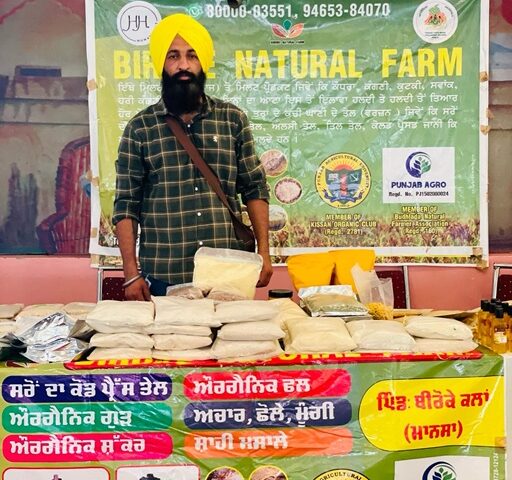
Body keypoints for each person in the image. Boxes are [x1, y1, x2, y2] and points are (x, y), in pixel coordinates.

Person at [113, 13, 272, 300]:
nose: (183, 65)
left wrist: (264, 252)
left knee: (233, 334)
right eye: (173, 56)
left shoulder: (232, 119)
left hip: (227, 274)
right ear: (162, 63)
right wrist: (131, 273)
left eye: (192, 55)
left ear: (203, 62)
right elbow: (126, 204)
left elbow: (254, 188)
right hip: (164, 275)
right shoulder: (140, 128)